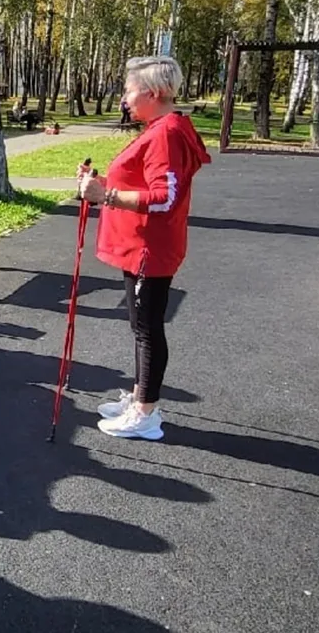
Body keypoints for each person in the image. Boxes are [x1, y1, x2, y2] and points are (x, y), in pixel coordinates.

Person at [78, 56, 211, 441]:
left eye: (129, 90)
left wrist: (107, 194)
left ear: (153, 93)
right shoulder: (160, 127)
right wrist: (99, 183)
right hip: (140, 244)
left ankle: (145, 412)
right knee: (142, 326)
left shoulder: (166, 133)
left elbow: (164, 196)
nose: (124, 98)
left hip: (149, 248)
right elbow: (144, 180)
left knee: (147, 329)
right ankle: (140, 397)